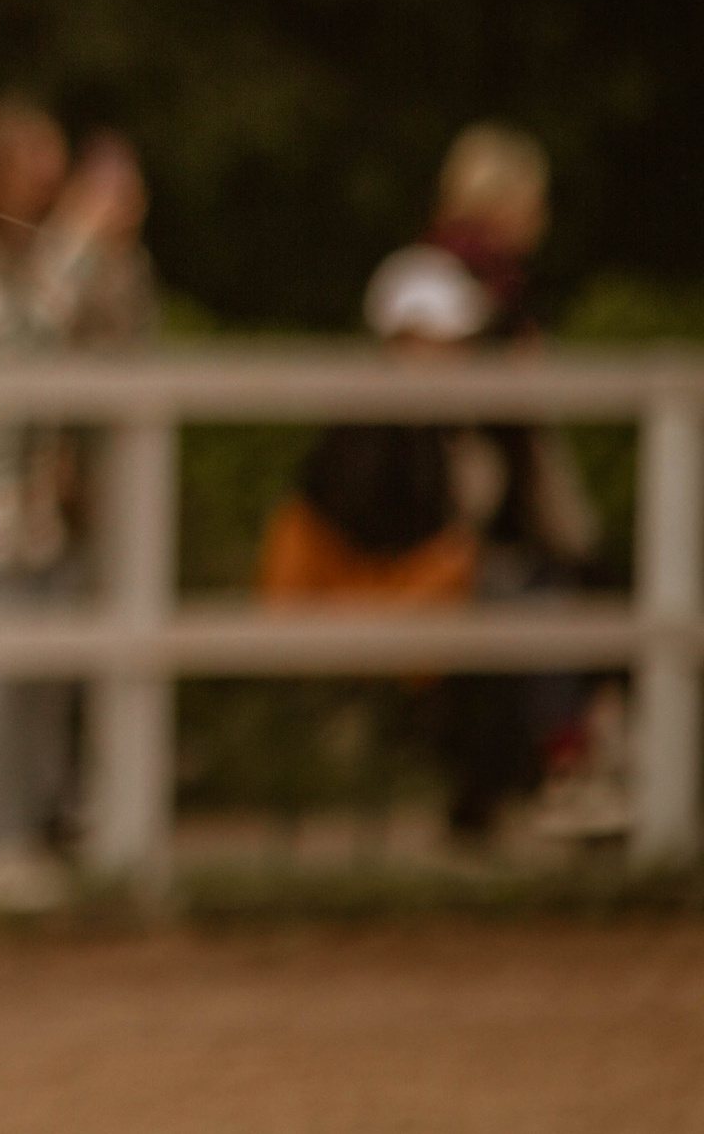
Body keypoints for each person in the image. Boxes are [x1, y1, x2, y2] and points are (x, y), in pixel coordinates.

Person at [258, 121, 612, 843]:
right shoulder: (374, 437)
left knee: (533, 593)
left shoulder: (437, 423)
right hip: (380, 596)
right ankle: (546, 782)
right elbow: (385, 535)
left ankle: (518, 791)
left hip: (424, 590)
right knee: (519, 598)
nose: (450, 352)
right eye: (433, 338)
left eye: (457, 338)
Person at [0, 97, 154, 913]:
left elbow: (123, 335)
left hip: (42, 518)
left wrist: (108, 245)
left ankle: (23, 846)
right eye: (36, 155)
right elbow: (18, 346)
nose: (54, 173)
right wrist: (85, 235)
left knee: (38, 689)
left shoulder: (46, 258)